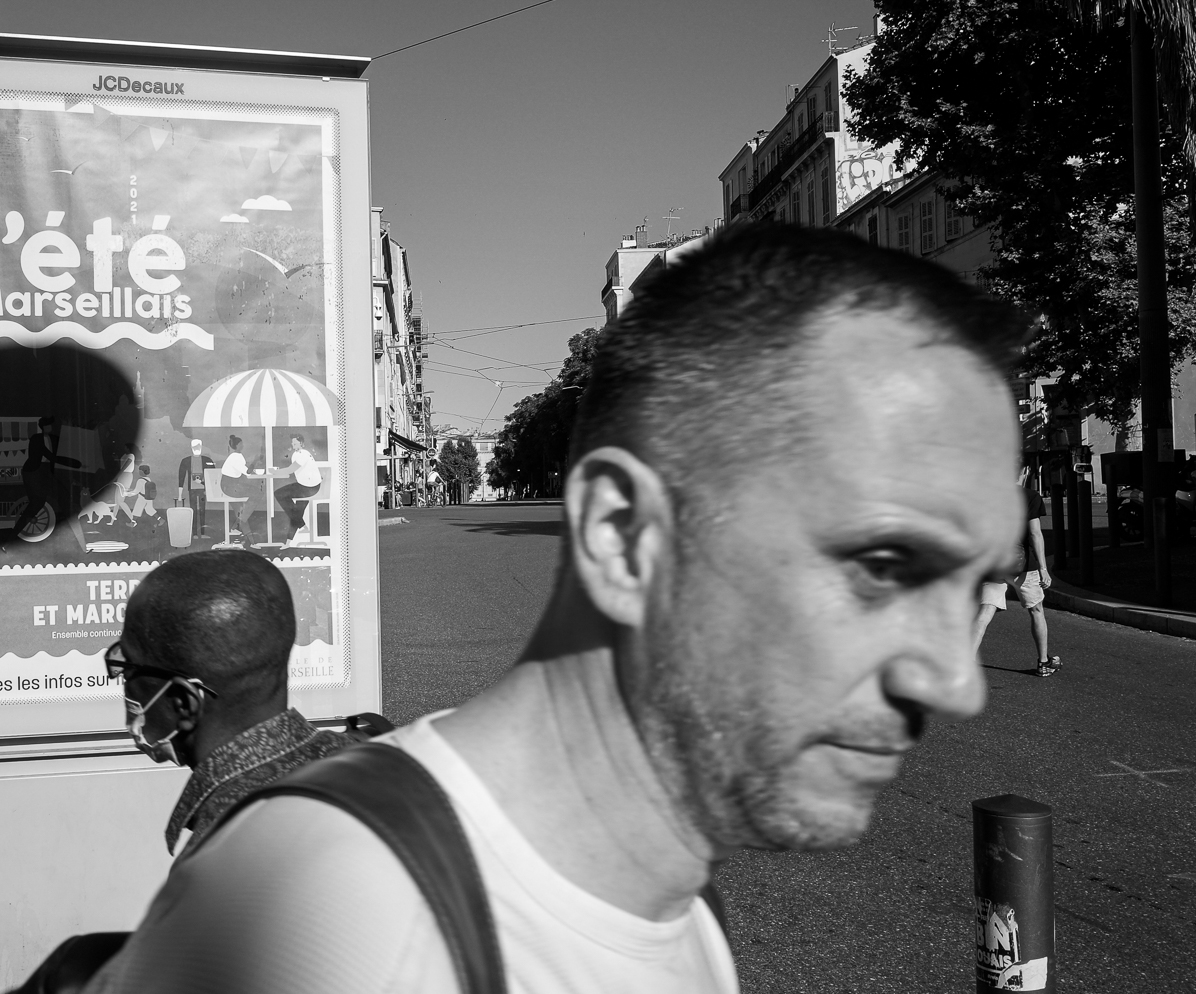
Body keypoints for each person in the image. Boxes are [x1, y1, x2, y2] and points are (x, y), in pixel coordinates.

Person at [87, 224, 1030, 994]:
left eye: (972, 585)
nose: (957, 682)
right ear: (625, 536)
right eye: (883, 565)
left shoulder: (680, 905)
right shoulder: (342, 917)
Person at [104, 551, 354, 857]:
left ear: (182, 703)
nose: (123, 680)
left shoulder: (219, 856)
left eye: (127, 667)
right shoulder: (369, 760)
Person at [973, 465, 1060, 676]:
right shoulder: (1030, 497)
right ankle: (1043, 663)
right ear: (1025, 471)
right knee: (1036, 611)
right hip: (1023, 566)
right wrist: (1043, 568)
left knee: (984, 613)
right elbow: (1035, 534)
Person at [15, 416, 81, 535]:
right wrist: (74, 463)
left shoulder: (54, 439)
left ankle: (75, 530)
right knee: (37, 503)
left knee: (63, 496)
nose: (49, 427)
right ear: (42, 427)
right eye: (47, 425)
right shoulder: (36, 439)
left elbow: (65, 446)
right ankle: (14, 535)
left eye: (50, 425)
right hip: (33, 472)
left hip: (45, 471)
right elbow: (51, 456)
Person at [270, 434, 322, 545]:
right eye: (292, 442)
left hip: (309, 487)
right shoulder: (298, 454)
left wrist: (275, 472)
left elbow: (290, 470)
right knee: (296, 512)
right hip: (307, 485)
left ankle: (301, 525)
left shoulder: (303, 454)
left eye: (295, 442)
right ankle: (289, 542)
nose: (293, 444)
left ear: (301, 443)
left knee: (279, 494)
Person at [219, 435, 267, 546]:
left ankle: (239, 524)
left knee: (254, 494)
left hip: (232, 485)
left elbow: (246, 470)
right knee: (258, 492)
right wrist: (255, 460)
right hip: (229, 487)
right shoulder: (235, 457)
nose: (243, 446)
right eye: (241, 444)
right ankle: (243, 520)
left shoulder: (237, 456)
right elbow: (247, 472)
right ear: (236, 445)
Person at [176, 438, 215, 537]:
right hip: (192, 490)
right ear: (191, 448)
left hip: (203, 490)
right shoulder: (186, 461)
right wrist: (180, 495)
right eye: (194, 447)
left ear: (201, 447)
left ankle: (202, 533)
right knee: (193, 510)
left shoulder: (207, 460)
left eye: (198, 447)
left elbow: (212, 476)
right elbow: (181, 477)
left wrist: (205, 485)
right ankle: (194, 533)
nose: (196, 449)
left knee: (202, 510)